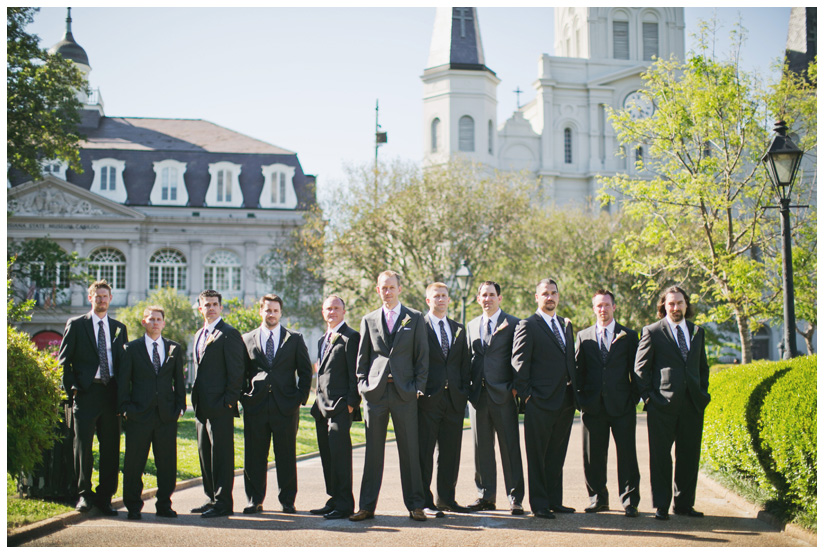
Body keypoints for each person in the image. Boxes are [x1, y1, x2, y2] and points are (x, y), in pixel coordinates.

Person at [350, 270, 429, 522]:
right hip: (376, 394)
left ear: (399, 289)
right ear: (378, 290)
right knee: (373, 452)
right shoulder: (369, 319)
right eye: (383, 288)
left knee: (409, 451)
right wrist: (363, 385)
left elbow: (422, 356)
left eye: (391, 287)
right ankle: (366, 507)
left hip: (405, 393)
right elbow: (362, 358)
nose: (387, 292)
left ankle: (416, 505)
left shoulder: (414, 318)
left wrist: (418, 386)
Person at [635, 286, 711, 521]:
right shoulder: (652, 331)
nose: (675, 307)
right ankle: (661, 506)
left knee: (689, 456)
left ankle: (684, 505)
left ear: (686, 304)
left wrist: (702, 394)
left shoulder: (697, 331)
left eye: (679, 303)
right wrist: (649, 398)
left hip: (692, 405)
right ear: (664, 306)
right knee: (660, 458)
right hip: (662, 405)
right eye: (671, 304)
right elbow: (641, 369)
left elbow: (702, 367)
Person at [58, 280, 128, 515]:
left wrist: (123, 395)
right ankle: (84, 496)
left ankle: (105, 498)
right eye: (97, 296)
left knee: (111, 448)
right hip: (86, 393)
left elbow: (123, 365)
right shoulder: (76, 324)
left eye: (105, 296)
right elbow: (63, 362)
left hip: (111, 394)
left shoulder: (119, 327)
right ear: (90, 298)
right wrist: (74, 390)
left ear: (110, 298)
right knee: (83, 447)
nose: (101, 300)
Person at [241, 294, 312, 514]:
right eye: (267, 310)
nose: (271, 314)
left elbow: (305, 371)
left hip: (286, 407)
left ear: (280, 313)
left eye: (275, 311)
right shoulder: (247, 339)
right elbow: (241, 372)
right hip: (256, 407)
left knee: (286, 456)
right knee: (254, 456)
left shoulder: (294, 338)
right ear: (260, 311)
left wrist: (300, 398)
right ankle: (255, 500)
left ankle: (287, 501)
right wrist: (245, 397)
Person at [512, 278, 577, 519]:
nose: (550, 297)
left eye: (553, 293)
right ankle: (539, 504)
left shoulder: (565, 324)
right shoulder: (527, 325)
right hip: (539, 401)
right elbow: (519, 363)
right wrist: (529, 396)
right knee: (537, 456)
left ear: (558, 296)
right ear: (537, 298)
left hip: (566, 401)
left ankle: (554, 501)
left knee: (556, 455)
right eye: (545, 294)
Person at [575, 289, 641, 517]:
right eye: (598, 306)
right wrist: (581, 400)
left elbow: (637, 370)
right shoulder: (583, 337)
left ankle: (630, 501)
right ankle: (598, 499)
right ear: (593, 309)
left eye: (606, 305)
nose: (602, 309)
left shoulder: (629, 335)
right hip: (593, 407)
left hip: (622, 406)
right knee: (593, 456)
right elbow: (578, 371)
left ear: (614, 307)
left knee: (627, 456)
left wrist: (633, 398)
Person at [118, 306, 185, 520]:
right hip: (139, 415)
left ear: (164, 323)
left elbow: (179, 381)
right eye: (151, 319)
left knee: (167, 463)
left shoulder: (174, 348)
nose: (155, 322)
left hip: (166, 416)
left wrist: (180, 407)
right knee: (134, 463)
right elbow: (123, 382)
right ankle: (133, 506)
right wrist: (126, 409)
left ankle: (164, 504)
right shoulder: (131, 348)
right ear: (143, 322)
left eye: (158, 319)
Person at [466, 281, 525, 515]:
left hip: (504, 395)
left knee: (510, 448)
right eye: (484, 295)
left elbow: (520, 359)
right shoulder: (470, 326)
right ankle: (485, 496)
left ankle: (515, 498)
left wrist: (514, 389)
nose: (487, 299)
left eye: (492, 295)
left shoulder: (514, 324)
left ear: (500, 298)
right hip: (478, 397)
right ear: (478, 299)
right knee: (482, 450)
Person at [418, 282, 471, 516]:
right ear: (428, 301)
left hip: (454, 400)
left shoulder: (458, 328)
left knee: (451, 452)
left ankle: (446, 499)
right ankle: (424, 500)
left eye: (444, 296)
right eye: (436, 296)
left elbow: (464, 363)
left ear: (449, 300)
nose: (441, 299)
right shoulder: (419, 326)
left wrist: (462, 392)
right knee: (425, 453)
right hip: (428, 399)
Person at [190, 289, 244, 518]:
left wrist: (229, 402)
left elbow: (237, 371)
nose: (210, 308)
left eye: (214, 304)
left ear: (221, 308)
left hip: (221, 406)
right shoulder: (199, 334)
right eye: (206, 304)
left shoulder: (229, 333)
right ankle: (211, 497)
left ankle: (223, 502)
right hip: (202, 406)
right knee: (205, 453)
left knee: (221, 455)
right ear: (200, 308)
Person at [309, 295, 360, 520]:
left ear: (343, 311)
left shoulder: (351, 337)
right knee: (327, 456)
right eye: (328, 309)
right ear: (323, 312)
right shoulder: (323, 339)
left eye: (336, 308)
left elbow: (355, 373)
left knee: (340, 456)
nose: (332, 312)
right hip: (321, 407)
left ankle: (345, 504)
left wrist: (351, 403)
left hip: (341, 406)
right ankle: (333, 498)